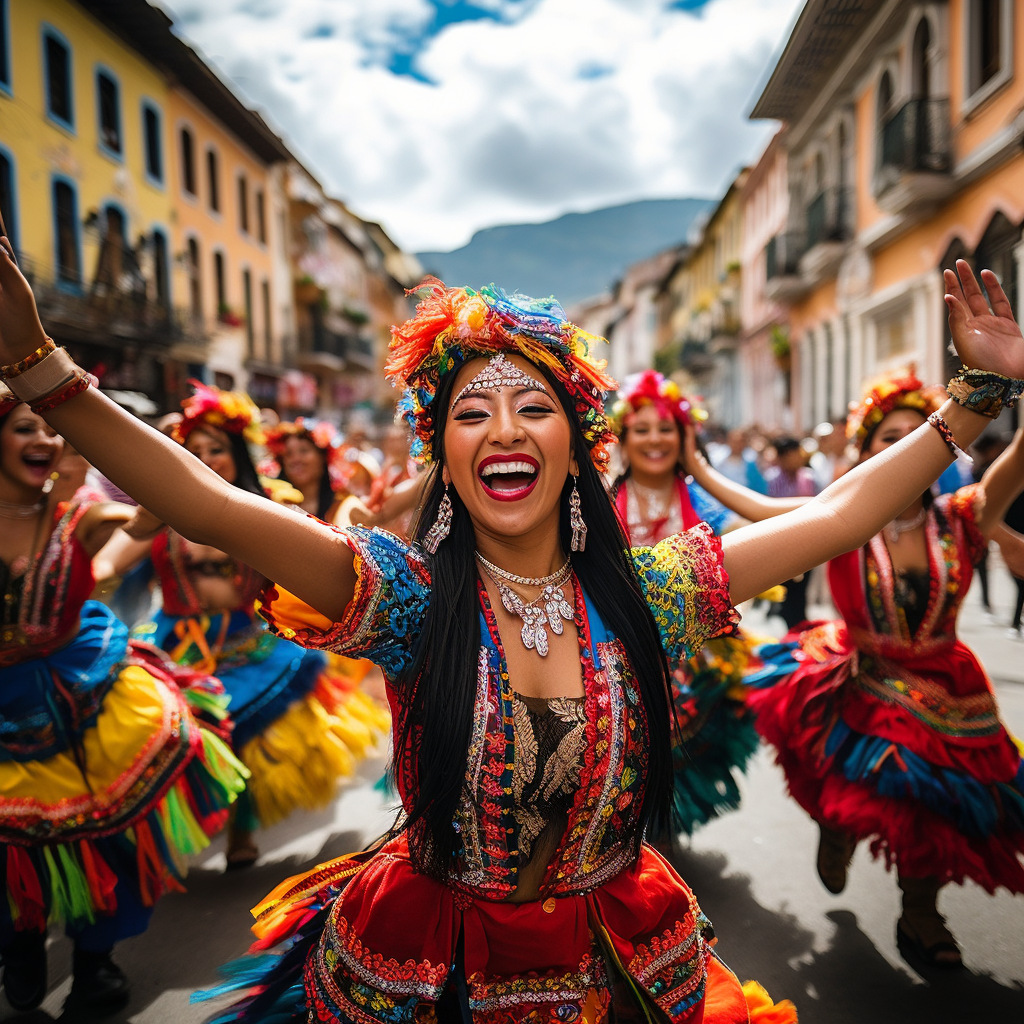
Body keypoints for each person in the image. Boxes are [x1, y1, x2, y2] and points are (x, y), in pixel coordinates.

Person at [2, 247, 1022, 1019]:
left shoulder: (649, 593)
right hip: (428, 953)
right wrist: (39, 364)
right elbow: (205, 501)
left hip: (616, 943)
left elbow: (836, 517)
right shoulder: (404, 598)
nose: (501, 429)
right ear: (441, 456)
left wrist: (973, 399)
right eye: (469, 413)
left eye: (532, 407)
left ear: (576, 450)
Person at [729, 372, 1024, 970]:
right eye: (890, 437)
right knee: (866, 786)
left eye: (918, 434)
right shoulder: (844, 521)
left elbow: (1016, 464)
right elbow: (763, 511)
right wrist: (694, 466)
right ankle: (836, 829)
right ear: (867, 454)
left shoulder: (963, 516)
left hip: (949, 684)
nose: (907, 445)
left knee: (933, 804)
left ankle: (921, 912)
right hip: (864, 674)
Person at [0, 391, 248, 1014]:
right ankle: (21, 941)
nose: (44, 441)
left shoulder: (74, 514)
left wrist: (144, 448)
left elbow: (149, 517)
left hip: (82, 692)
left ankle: (94, 960)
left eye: (51, 430)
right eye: (25, 428)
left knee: (105, 833)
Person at [94, 385, 389, 870]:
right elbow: (110, 565)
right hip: (178, 647)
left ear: (237, 454)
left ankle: (240, 824)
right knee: (165, 736)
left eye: (218, 450)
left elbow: (312, 556)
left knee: (239, 729)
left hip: (252, 643)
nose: (208, 458)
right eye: (196, 451)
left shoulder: (268, 505)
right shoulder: (160, 512)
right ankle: (173, 828)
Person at [609, 370, 760, 834]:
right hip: (615, 659)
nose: (655, 439)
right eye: (642, 429)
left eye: (666, 428)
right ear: (623, 439)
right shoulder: (597, 501)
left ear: (684, 436)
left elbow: (792, 519)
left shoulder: (706, 507)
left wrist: (702, 471)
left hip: (693, 662)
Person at [262, 417, 372, 527]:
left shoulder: (346, 505)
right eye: (288, 454)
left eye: (304, 451)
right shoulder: (269, 502)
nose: (296, 459)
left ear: (323, 457)